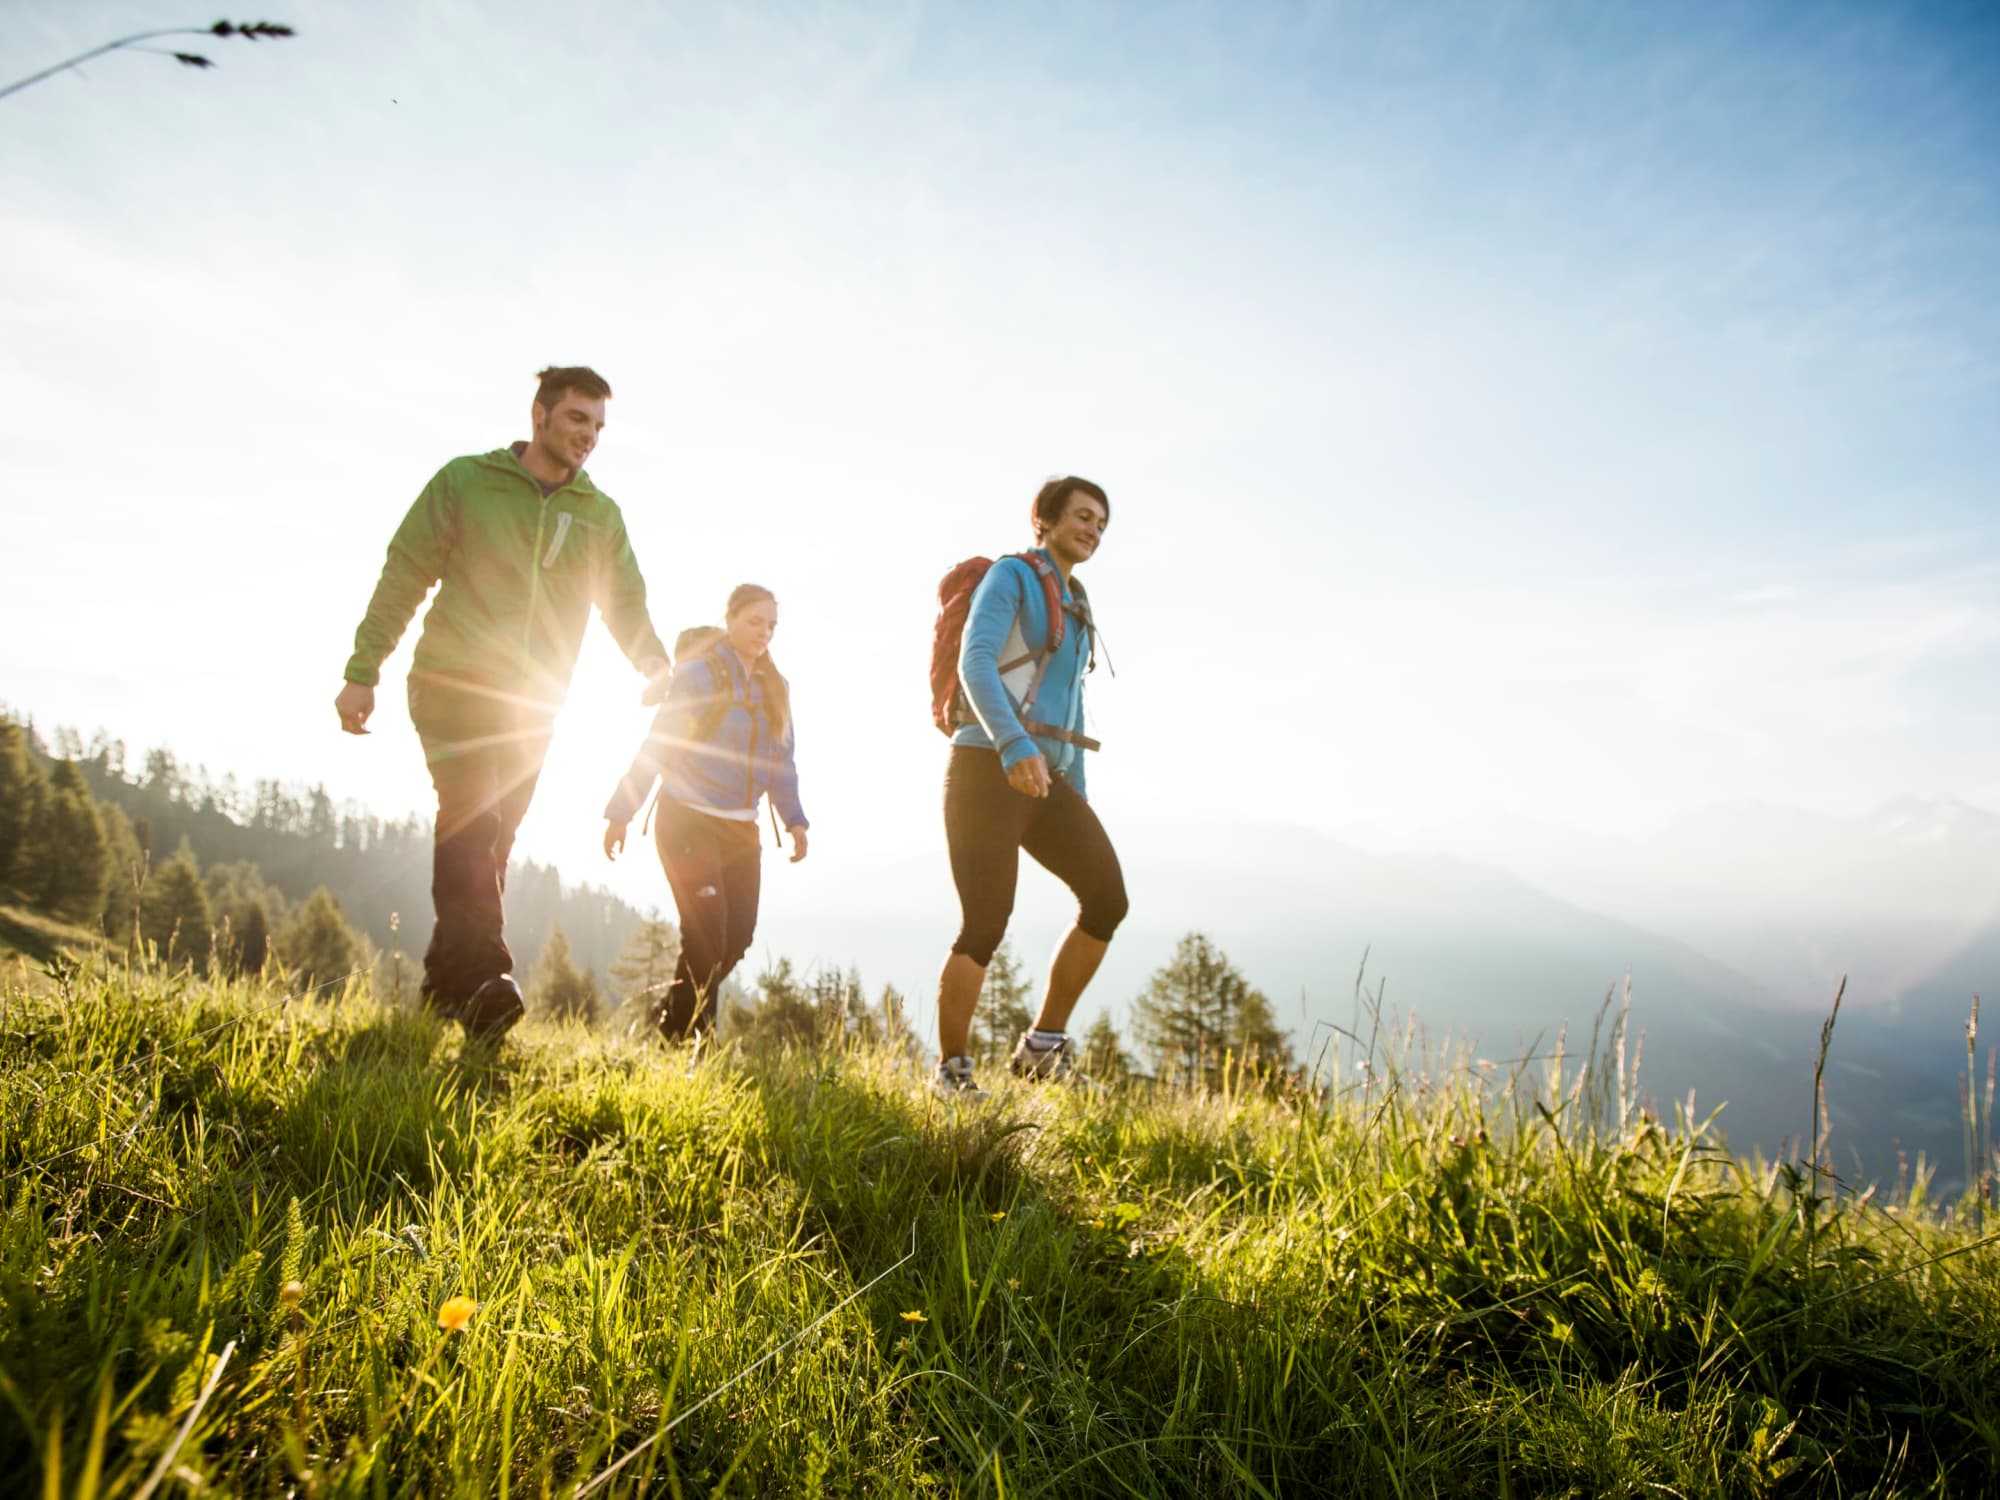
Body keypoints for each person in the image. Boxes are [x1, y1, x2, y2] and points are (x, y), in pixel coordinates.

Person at [334, 366, 669, 1042]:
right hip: (452, 685)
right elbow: (405, 572)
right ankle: (488, 975)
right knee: (473, 821)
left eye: (599, 426)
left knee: (494, 841)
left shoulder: (599, 515)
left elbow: (624, 601)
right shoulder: (467, 482)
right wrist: (364, 669)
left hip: (534, 707)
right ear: (539, 415)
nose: (589, 435)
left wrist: (653, 662)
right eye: (577, 418)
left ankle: (444, 987)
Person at [934, 476, 1127, 1098]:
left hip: (1048, 778)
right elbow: (975, 661)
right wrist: (1013, 745)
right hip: (984, 766)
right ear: (1043, 519)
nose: (1093, 530)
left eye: (1101, 523)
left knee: (1107, 899)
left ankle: (1043, 1047)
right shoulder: (1012, 576)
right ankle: (953, 1074)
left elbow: (1071, 704)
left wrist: (1077, 794)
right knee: (986, 921)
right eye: (1083, 516)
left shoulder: (1077, 602)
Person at [603, 584, 809, 1045]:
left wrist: (795, 819)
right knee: (706, 935)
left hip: (741, 828)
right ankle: (697, 1041)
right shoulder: (698, 674)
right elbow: (659, 744)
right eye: (754, 622)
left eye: (771, 625)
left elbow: (781, 760)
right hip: (686, 819)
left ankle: (669, 1022)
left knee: (737, 937)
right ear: (730, 619)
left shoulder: (776, 688)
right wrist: (621, 812)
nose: (764, 633)